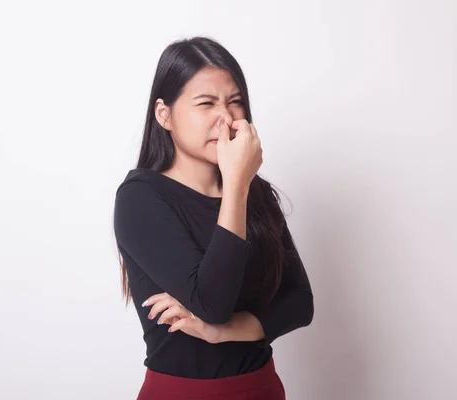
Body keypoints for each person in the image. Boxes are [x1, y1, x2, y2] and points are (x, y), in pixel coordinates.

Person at [113, 36, 313, 400]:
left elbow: (300, 302)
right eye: (206, 103)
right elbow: (213, 303)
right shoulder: (140, 197)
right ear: (164, 114)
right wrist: (237, 183)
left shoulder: (255, 192)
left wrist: (226, 331)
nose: (226, 118)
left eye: (235, 102)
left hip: (261, 387)